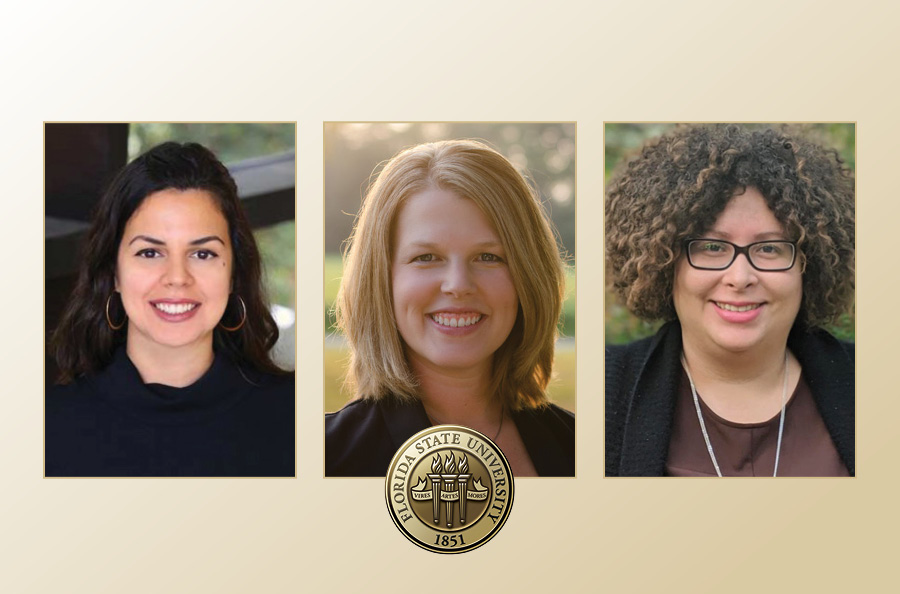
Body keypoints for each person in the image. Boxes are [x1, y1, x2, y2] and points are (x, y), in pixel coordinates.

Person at [605, 124, 855, 477]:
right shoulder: (602, 393)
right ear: (664, 261)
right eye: (711, 247)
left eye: (769, 248)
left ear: (808, 263)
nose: (740, 277)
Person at [326, 139, 574, 477]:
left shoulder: (586, 449)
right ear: (381, 280)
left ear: (528, 276)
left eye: (489, 257)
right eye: (426, 258)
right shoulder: (319, 457)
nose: (458, 284)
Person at [46, 142, 294, 476]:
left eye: (202, 253)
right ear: (112, 273)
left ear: (234, 273)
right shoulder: (44, 427)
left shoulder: (297, 420)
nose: (177, 278)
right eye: (150, 253)